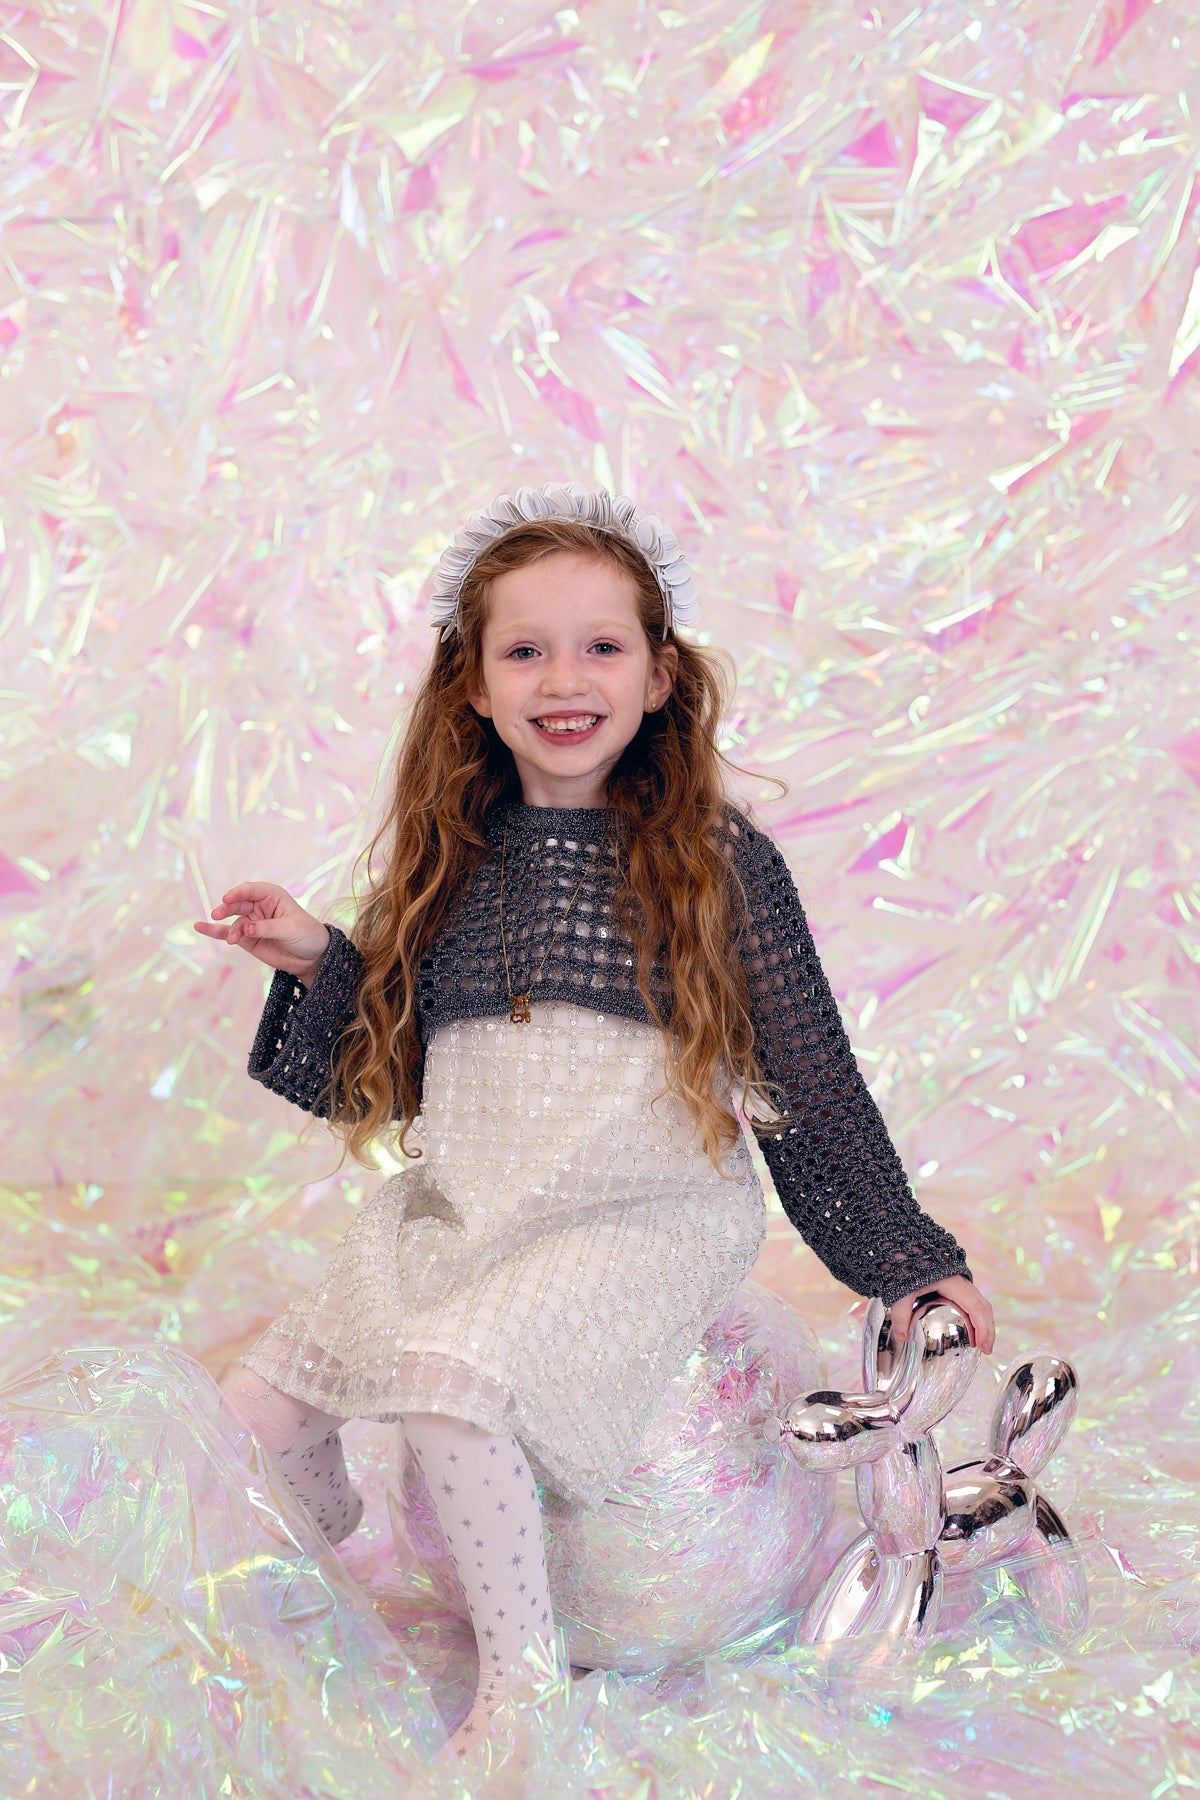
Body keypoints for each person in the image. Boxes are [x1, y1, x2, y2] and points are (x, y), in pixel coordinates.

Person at [194, 483, 994, 1757]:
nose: (564, 679)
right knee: (253, 1409)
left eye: (602, 646)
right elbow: (392, 1072)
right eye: (525, 650)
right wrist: (316, 960)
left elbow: (811, 1081)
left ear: (660, 677)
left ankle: (522, 1692)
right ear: (472, 684)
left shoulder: (717, 865)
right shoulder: (454, 860)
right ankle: (331, 1532)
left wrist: (904, 1258)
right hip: (470, 1207)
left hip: (636, 1216)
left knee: (449, 1384)